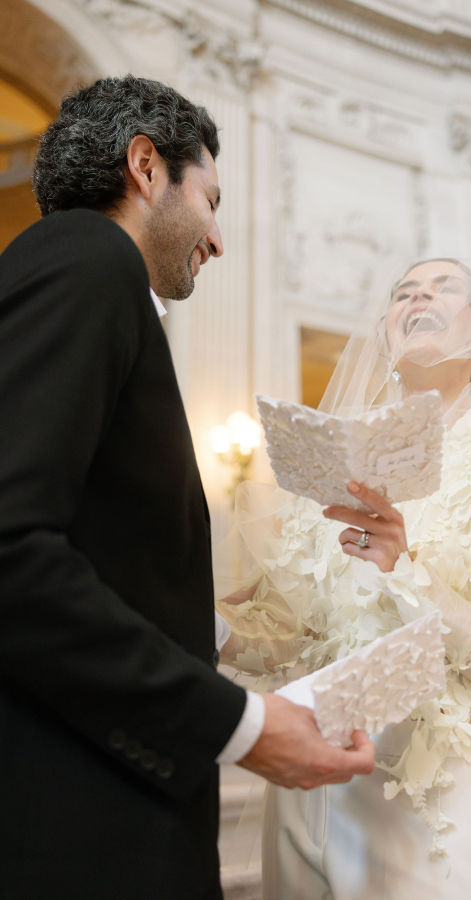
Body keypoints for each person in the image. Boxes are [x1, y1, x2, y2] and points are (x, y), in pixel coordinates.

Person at [0, 75, 375, 900]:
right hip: (74, 827)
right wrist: (241, 726)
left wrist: (202, 618)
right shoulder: (87, 258)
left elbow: (74, 537)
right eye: (210, 197)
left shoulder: (81, 273)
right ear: (145, 166)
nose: (218, 236)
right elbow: (10, 548)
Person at [216, 258, 471, 900]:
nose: (420, 295)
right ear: (386, 334)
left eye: (447, 287)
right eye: (404, 292)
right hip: (313, 776)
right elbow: (287, 636)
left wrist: (412, 574)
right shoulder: (331, 465)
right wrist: (199, 621)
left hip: (437, 790)